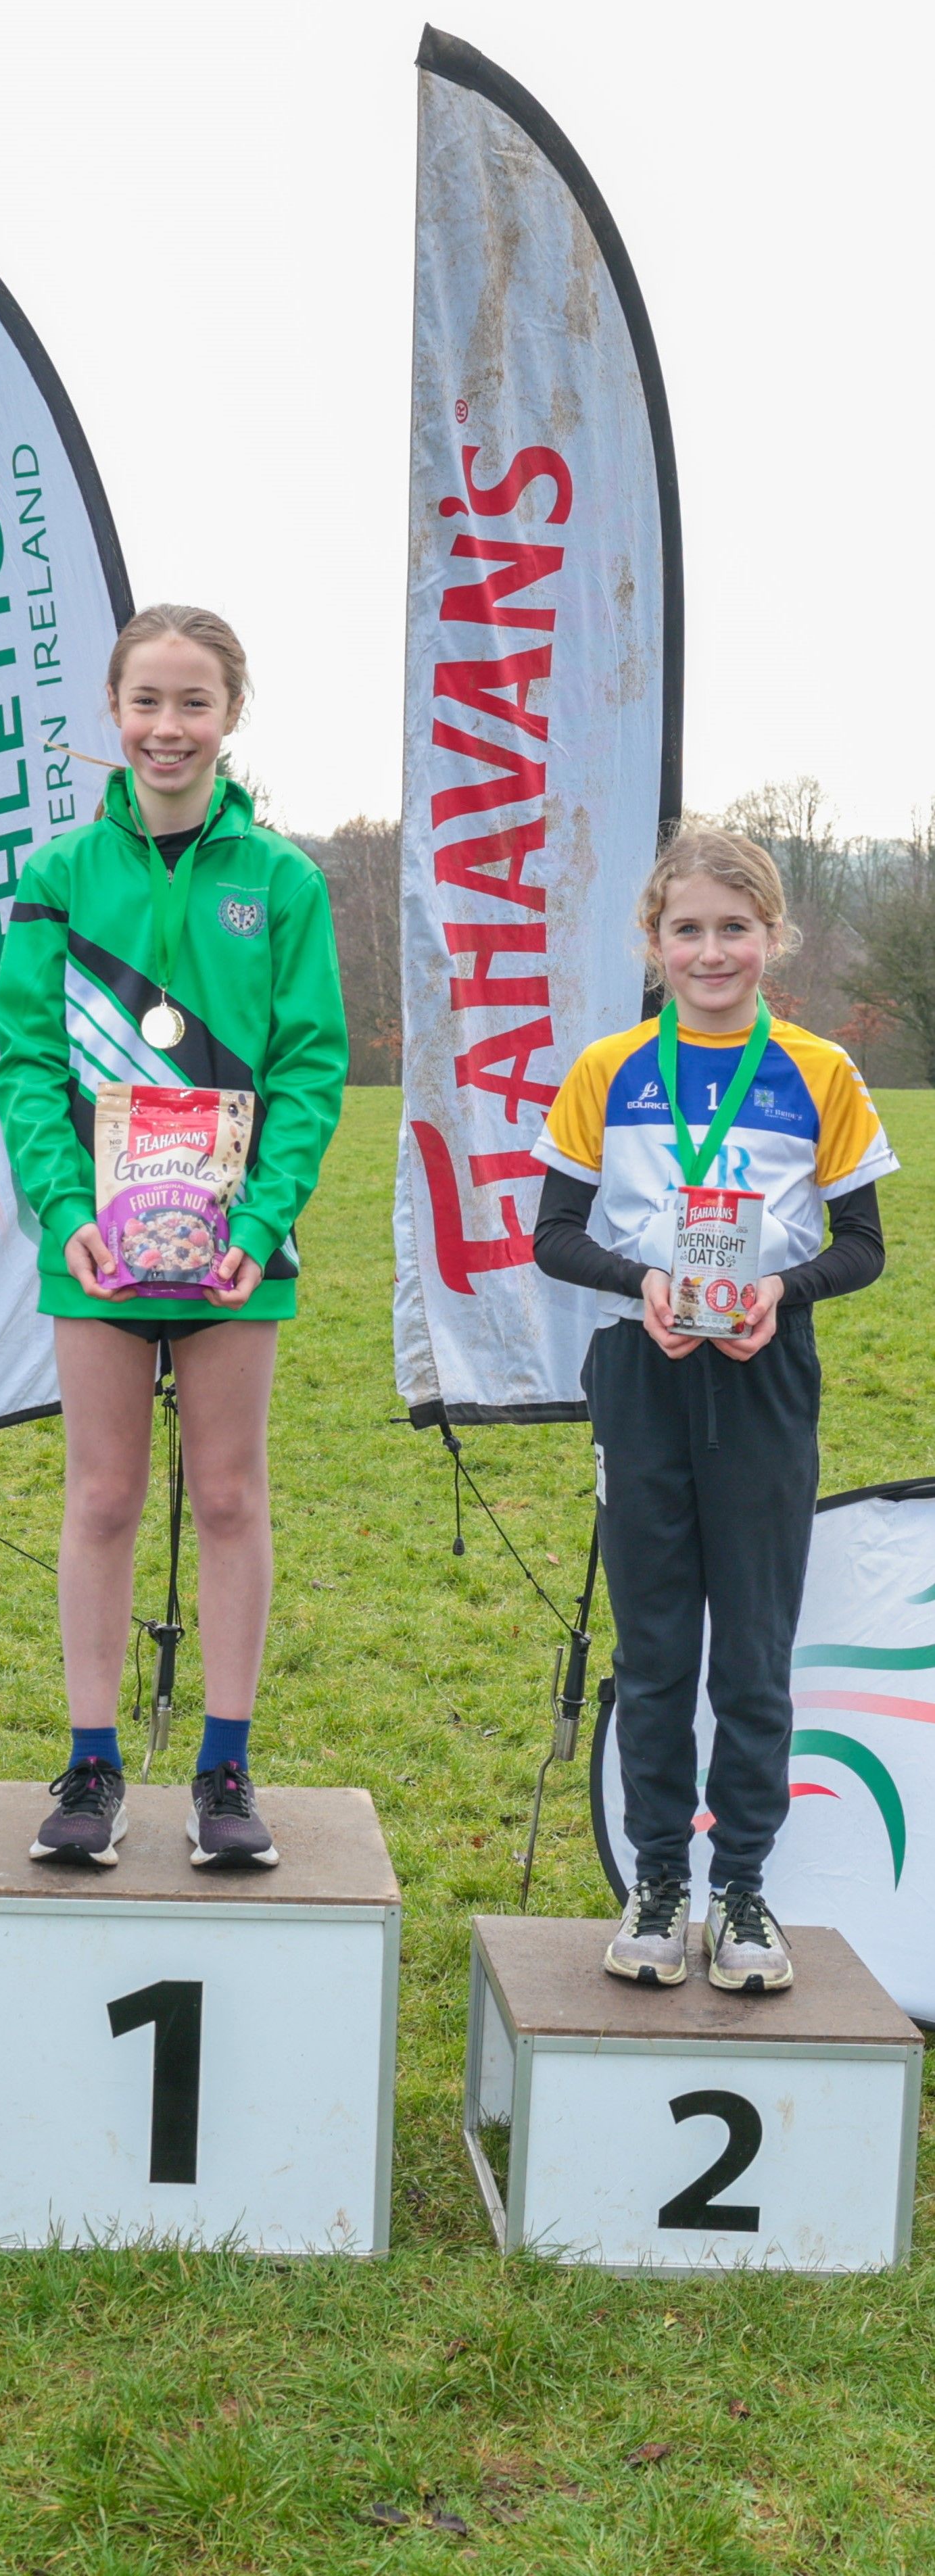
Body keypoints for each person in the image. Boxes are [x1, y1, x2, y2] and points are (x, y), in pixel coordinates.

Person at [0, 606, 347, 1869]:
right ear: (113, 709)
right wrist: (66, 1213)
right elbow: (26, 1064)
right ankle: (91, 1766)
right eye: (146, 700)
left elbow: (311, 1067)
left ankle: (223, 1768)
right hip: (96, 1249)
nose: (167, 727)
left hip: (236, 1251)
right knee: (101, 1497)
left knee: (230, 1496)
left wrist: (261, 1220)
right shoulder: (55, 877)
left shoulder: (282, 880)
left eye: (193, 702)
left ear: (230, 715)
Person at [532, 826, 894, 1994]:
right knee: (652, 1651)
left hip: (762, 1371)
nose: (709, 951)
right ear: (652, 941)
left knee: (749, 1653)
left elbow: (863, 1246)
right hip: (640, 1371)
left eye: (733, 929)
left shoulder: (818, 1071)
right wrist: (639, 1280)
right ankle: (654, 1883)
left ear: (772, 938)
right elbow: (553, 1235)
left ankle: (740, 1889)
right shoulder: (606, 1069)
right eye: (685, 929)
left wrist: (781, 1293)